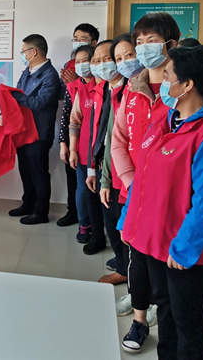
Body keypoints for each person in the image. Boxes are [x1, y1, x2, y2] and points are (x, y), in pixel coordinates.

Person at [119, 45, 203, 359]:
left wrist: (185, 247)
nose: (162, 82)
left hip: (185, 250)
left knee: (187, 321)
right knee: (165, 311)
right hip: (154, 240)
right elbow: (142, 177)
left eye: (167, 76)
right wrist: (129, 221)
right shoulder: (167, 120)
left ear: (187, 85)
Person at [111, 12, 180, 353]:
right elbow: (118, 140)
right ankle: (139, 321)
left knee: (165, 267)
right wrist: (130, 181)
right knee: (136, 261)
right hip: (135, 194)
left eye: (151, 41)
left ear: (171, 44)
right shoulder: (132, 89)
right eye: (139, 42)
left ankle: (163, 319)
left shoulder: (183, 91)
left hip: (170, 199)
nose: (143, 48)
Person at [98, 33, 141, 285]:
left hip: (144, 180)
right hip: (119, 176)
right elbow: (113, 141)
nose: (125, 62)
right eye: (119, 58)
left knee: (138, 237)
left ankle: (139, 286)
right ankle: (126, 273)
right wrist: (105, 179)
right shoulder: (121, 93)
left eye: (130, 55)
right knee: (117, 226)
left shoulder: (159, 93)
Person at [8, 34, 60, 225]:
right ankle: (28, 204)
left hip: (39, 133)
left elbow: (39, 102)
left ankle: (41, 212)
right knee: (25, 171)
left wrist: (14, 96)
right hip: (23, 131)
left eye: (23, 51)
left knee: (39, 173)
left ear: (34, 52)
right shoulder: (27, 72)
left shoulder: (50, 75)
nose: (22, 55)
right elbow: (17, 97)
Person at [84, 40, 127, 259]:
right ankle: (121, 262)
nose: (101, 65)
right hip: (102, 163)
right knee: (109, 216)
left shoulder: (128, 90)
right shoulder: (101, 89)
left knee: (121, 221)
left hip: (123, 168)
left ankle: (125, 266)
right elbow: (95, 131)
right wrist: (92, 167)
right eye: (96, 61)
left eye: (107, 59)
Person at [68, 45, 103, 239]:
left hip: (104, 153)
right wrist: (72, 150)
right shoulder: (81, 90)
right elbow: (74, 121)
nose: (81, 65)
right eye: (78, 62)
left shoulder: (106, 88)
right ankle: (84, 225)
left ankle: (102, 228)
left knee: (102, 190)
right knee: (83, 189)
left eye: (86, 61)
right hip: (84, 151)